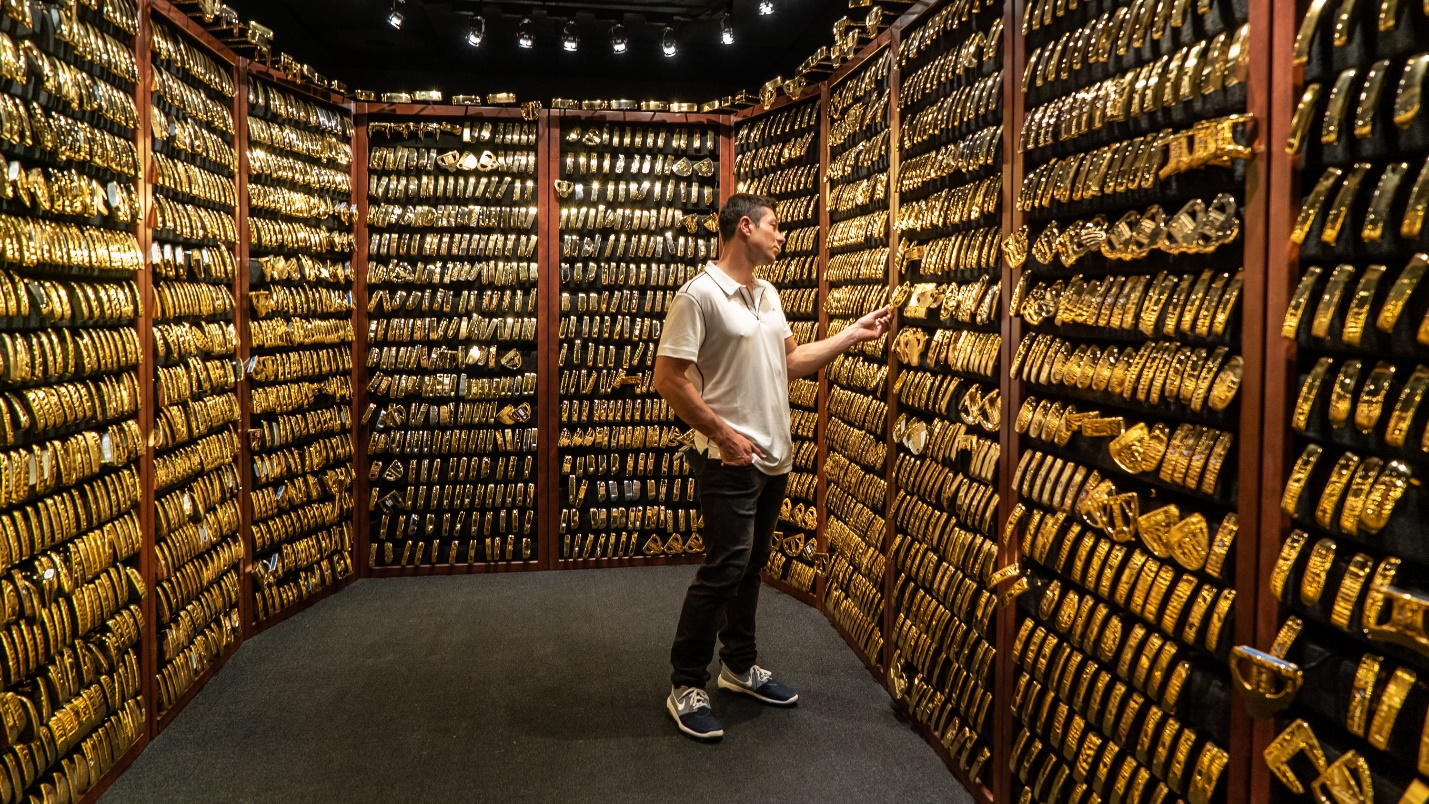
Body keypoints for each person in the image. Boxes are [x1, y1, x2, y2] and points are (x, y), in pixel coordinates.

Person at [652, 192, 892, 740]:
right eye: (774, 226)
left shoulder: (768, 294)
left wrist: (851, 334)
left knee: (751, 565)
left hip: (773, 458)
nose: (782, 236)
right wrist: (723, 434)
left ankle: (738, 666)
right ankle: (686, 683)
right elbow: (668, 378)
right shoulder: (699, 295)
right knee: (724, 568)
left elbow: (791, 362)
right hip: (728, 459)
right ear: (745, 228)